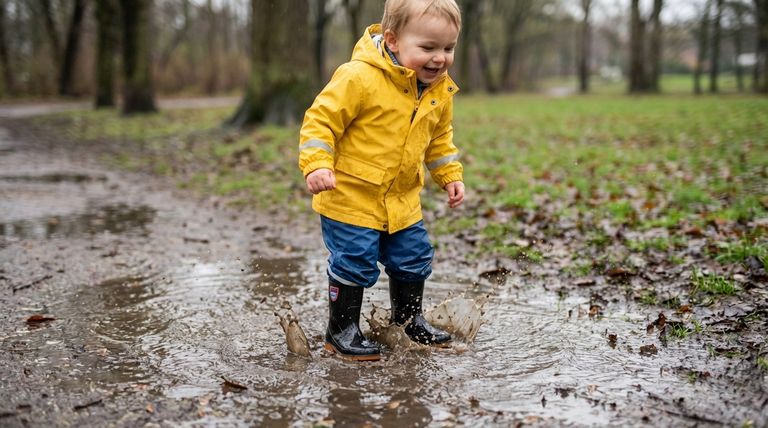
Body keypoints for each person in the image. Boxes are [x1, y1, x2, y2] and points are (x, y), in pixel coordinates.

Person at [298, 0, 465, 361]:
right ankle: (341, 331)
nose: (440, 58)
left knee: (413, 255)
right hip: (350, 196)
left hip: (402, 200)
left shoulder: (438, 90)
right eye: (428, 48)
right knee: (355, 259)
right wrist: (316, 164)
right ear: (392, 40)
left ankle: (407, 322)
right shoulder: (359, 76)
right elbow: (320, 121)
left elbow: (439, 138)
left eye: (448, 48)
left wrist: (449, 174)